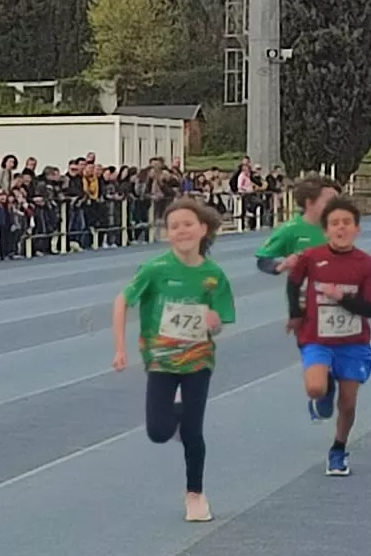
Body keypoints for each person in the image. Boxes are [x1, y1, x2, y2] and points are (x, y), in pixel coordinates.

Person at [111, 199, 235, 523]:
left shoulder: (213, 275)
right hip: (160, 361)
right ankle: (178, 418)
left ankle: (195, 494)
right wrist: (120, 349)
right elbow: (122, 301)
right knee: (158, 431)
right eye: (174, 226)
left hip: (198, 360)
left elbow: (222, 319)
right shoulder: (155, 269)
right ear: (167, 234)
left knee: (194, 432)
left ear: (203, 229)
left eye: (187, 224)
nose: (181, 231)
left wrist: (213, 321)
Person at [287, 195, 371, 477]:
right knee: (315, 388)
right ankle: (324, 389)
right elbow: (293, 283)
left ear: (357, 229)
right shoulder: (312, 258)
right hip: (317, 338)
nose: (341, 228)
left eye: (347, 223)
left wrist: (341, 297)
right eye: (335, 224)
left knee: (348, 404)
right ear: (326, 230)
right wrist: (296, 313)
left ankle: (338, 449)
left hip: (353, 342)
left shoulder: (366, 264)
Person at [254, 175, 337, 276]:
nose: (336, 206)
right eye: (330, 202)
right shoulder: (290, 229)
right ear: (309, 203)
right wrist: (282, 266)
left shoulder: (339, 228)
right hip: (303, 290)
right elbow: (263, 260)